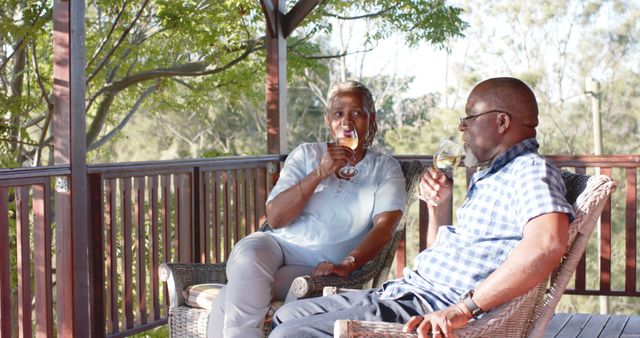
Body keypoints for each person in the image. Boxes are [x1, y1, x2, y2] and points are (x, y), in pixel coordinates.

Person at [269, 77, 574, 338]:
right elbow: (440, 254)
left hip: (425, 308)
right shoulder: (490, 176)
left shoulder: (530, 170)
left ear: (501, 121)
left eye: (468, 119)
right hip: (405, 292)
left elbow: (546, 245)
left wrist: (463, 309)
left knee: (288, 333)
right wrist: (438, 207)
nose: (461, 128)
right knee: (287, 315)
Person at [208, 80, 406, 338]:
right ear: (328, 120)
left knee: (234, 293)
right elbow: (276, 219)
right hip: (275, 246)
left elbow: (385, 228)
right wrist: (319, 173)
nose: (346, 122)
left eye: (356, 113)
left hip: (319, 265)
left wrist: (348, 263)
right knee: (249, 256)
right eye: (338, 114)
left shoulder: (385, 168)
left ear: (370, 118)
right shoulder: (306, 154)